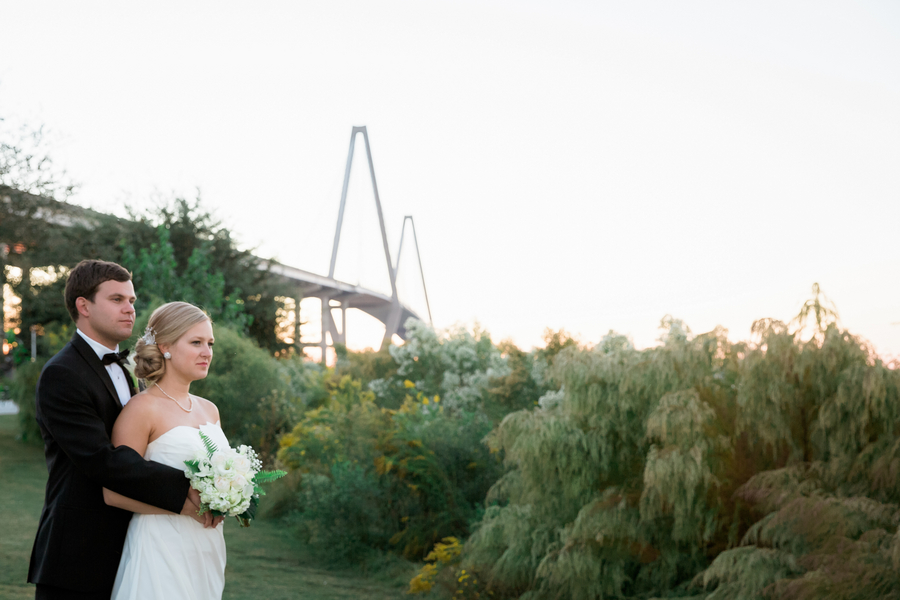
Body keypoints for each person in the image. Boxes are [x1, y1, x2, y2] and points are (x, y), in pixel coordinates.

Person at [28, 260, 212, 600]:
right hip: (78, 555)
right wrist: (189, 493)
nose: (130, 309)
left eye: (132, 301)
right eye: (117, 300)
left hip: (134, 547)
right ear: (83, 306)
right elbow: (102, 459)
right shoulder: (62, 374)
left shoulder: (125, 372)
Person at [106, 301, 227, 600]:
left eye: (210, 343)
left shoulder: (210, 409)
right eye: (196, 342)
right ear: (165, 347)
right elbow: (114, 492)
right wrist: (188, 508)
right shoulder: (141, 409)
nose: (207, 352)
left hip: (206, 547)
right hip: (160, 545)